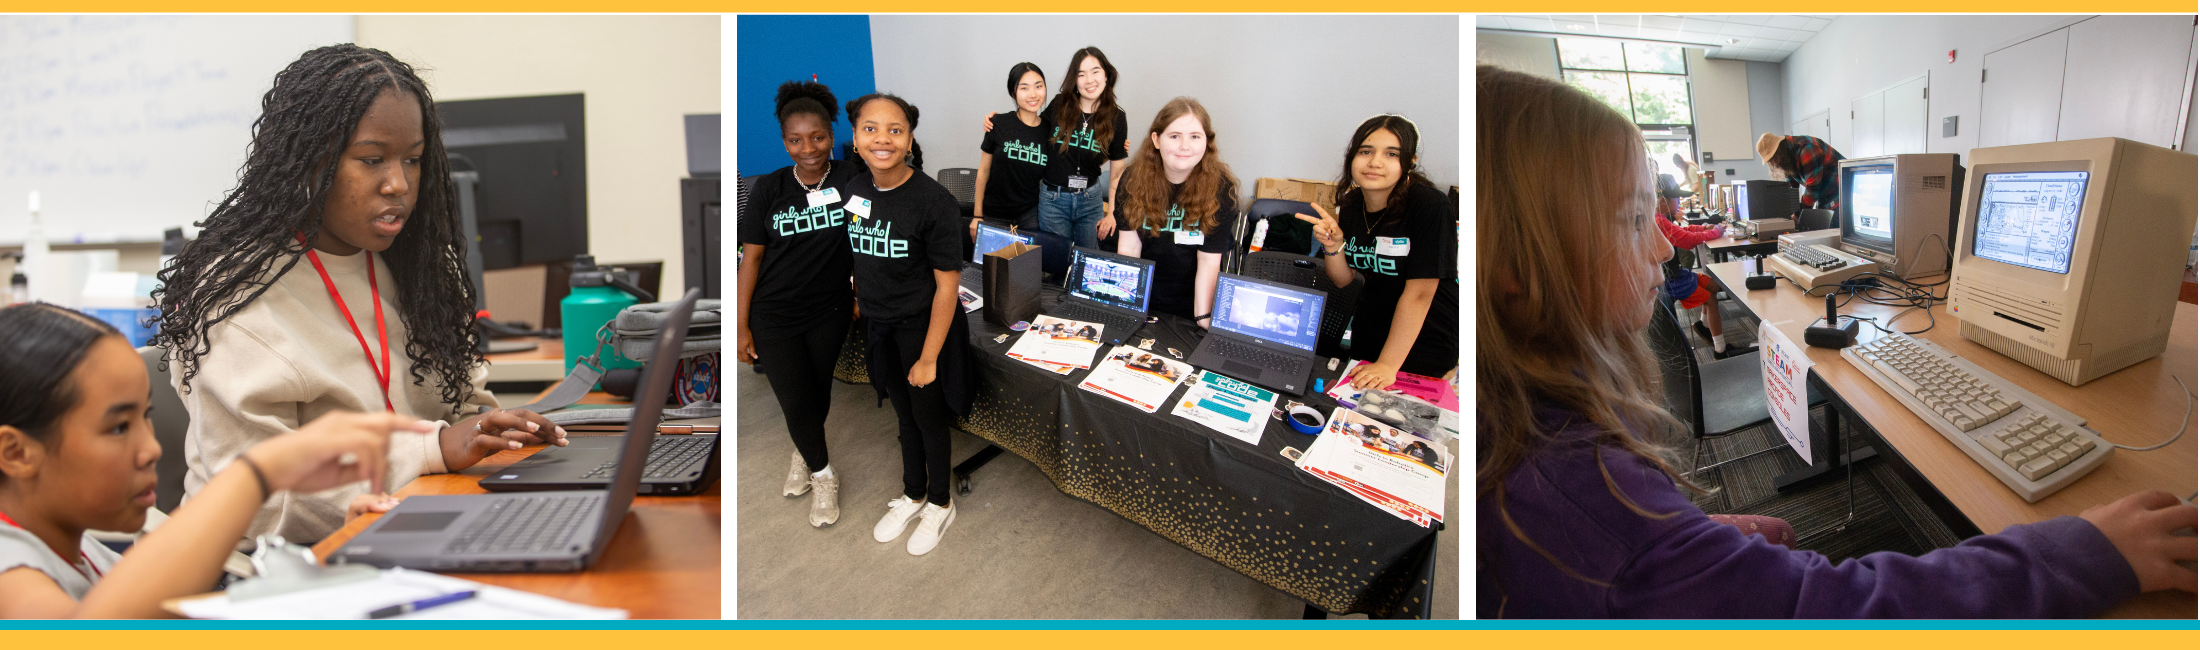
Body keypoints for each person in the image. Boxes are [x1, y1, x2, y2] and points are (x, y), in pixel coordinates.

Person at [1475, 65, 2197, 618]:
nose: (1664, 252)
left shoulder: (1518, 431)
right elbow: (1838, 612)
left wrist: (1686, 538)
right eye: (1635, 220)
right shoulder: (1586, 501)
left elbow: (1622, 558)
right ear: (1515, 263)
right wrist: (2081, 551)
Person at [149, 45, 566, 546]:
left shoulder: (419, 268)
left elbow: (461, 409)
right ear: (308, 164)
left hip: (406, 522)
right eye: (372, 160)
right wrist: (435, 449)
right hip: (266, 569)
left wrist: (492, 430)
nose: (399, 184)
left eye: (412, 160)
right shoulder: (236, 297)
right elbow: (256, 504)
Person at [0, 303, 436, 618]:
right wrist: (256, 474)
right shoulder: (9, 568)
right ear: (15, 453)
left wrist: (332, 561)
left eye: (144, 418)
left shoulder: (82, 551)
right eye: (118, 428)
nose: (151, 448)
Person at [842, 93, 972, 556]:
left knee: (928, 418)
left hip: (923, 329)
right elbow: (861, 253)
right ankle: (913, 493)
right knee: (903, 416)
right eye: (870, 129)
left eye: (895, 130)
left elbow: (946, 289)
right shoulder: (854, 192)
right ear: (856, 139)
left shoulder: (934, 203)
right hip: (879, 326)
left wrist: (929, 357)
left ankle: (940, 502)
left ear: (910, 139)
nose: (883, 139)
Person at [737, 80, 864, 529]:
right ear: (784, 140)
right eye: (796, 139)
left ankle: (803, 448)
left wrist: (858, 292)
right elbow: (750, 259)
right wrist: (740, 324)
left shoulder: (852, 178)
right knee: (793, 396)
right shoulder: (770, 189)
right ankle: (822, 472)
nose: (808, 148)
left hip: (829, 307)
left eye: (818, 137)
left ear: (832, 135)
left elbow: (865, 242)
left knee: (817, 389)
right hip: (773, 312)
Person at [1296, 115, 1460, 390]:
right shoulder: (1352, 204)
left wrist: (1388, 364)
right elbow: (1343, 279)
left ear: (1410, 161)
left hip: (1423, 342)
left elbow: (1421, 293)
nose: (1375, 162)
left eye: (1391, 153)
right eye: (1366, 151)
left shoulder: (1429, 204)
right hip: (1371, 335)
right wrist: (1333, 246)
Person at [1113, 98, 1237, 325]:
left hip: (1191, 301)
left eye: (1195, 137)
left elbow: (1209, 262)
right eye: (1174, 136)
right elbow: (1130, 247)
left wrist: (1203, 318)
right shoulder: (1131, 181)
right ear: (1156, 140)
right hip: (1145, 294)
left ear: (1207, 142)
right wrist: (1128, 306)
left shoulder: (1221, 190)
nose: (1185, 146)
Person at [1036, 47, 1129, 249]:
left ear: (1106, 75)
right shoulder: (1060, 104)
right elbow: (1033, 132)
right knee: (1058, 265)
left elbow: (1117, 173)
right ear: (1074, 80)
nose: (1089, 80)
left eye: (1095, 71)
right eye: (1081, 74)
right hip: (1053, 199)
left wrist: (1112, 212)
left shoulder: (1117, 117)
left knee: (1086, 263)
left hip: (1090, 200)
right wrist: (1000, 122)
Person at [1654, 173, 1747, 358]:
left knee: (1712, 285)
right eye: (1676, 198)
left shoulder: (1662, 218)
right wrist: (1715, 233)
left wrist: (1704, 228)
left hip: (1676, 274)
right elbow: (1687, 240)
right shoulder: (1658, 221)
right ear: (1663, 200)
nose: (1679, 201)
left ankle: (1703, 326)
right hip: (1671, 280)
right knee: (1710, 300)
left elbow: (1683, 230)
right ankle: (1720, 350)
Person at [971, 62, 1053, 236]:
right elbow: (983, 171)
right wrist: (977, 215)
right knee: (992, 263)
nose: (1033, 94)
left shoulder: (1051, 131)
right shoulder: (998, 123)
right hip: (994, 214)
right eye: (1024, 88)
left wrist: (1111, 151)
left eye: (1038, 86)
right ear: (1013, 93)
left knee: (1028, 263)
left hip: (1030, 215)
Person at [1757, 132, 1845, 212]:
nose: (1773, 164)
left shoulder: (1807, 149)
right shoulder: (1787, 155)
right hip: (1825, 193)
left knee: (1831, 225)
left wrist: (1800, 214)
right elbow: (1792, 185)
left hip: (1841, 190)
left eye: (1772, 159)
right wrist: (1791, 210)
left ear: (1779, 151)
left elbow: (1813, 188)